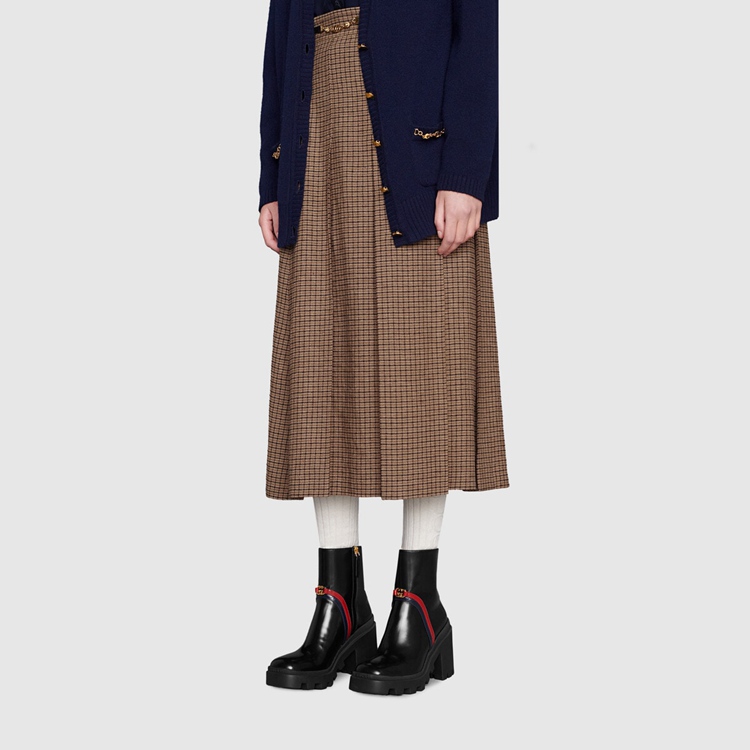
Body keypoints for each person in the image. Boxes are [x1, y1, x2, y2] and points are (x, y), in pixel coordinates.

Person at [258, 0, 509, 695]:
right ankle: (339, 605)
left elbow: (476, 32)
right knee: (323, 367)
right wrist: (272, 174)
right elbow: (281, 35)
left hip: (419, 150)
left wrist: (468, 171)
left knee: (418, 367)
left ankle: (418, 607)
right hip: (314, 139)